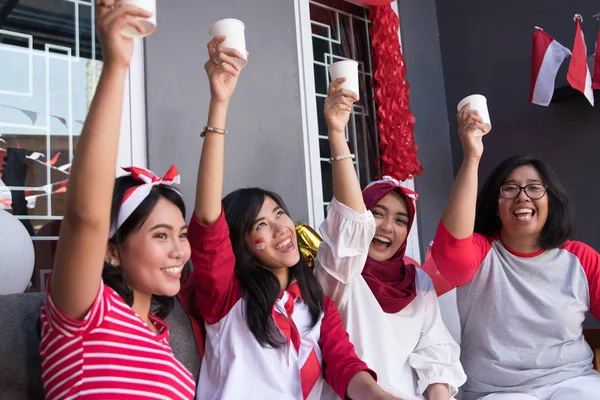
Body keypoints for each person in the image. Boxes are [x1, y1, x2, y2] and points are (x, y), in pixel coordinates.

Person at [183, 35, 401, 400]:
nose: (281, 227)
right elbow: (207, 220)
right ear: (242, 244)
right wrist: (219, 103)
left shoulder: (318, 306)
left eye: (279, 213)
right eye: (260, 225)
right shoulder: (226, 298)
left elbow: (346, 368)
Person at [39, 2, 195, 399]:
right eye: (161, 235)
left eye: (180, 233)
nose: (180, 250)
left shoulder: (163, 333)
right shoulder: (85, 311)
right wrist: (116, 64)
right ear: (110, 251)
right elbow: (85, 218)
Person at [430, 103, 600, 400]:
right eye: (509, 189)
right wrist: (472, 156)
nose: (522, 196)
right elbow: (451, 259)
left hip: (573, 381)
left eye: (534, 188)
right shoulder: (481, 253)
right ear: (496, 206)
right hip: (497, 391)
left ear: (551, 201)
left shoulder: (580, 259)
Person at [314, 79, 466, 400]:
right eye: (377, 213)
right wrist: (338, 135)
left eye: (401, 220)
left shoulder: (418, 283)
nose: (387, 227)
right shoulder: (340, 274)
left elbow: (435, 351)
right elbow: (349, 229)